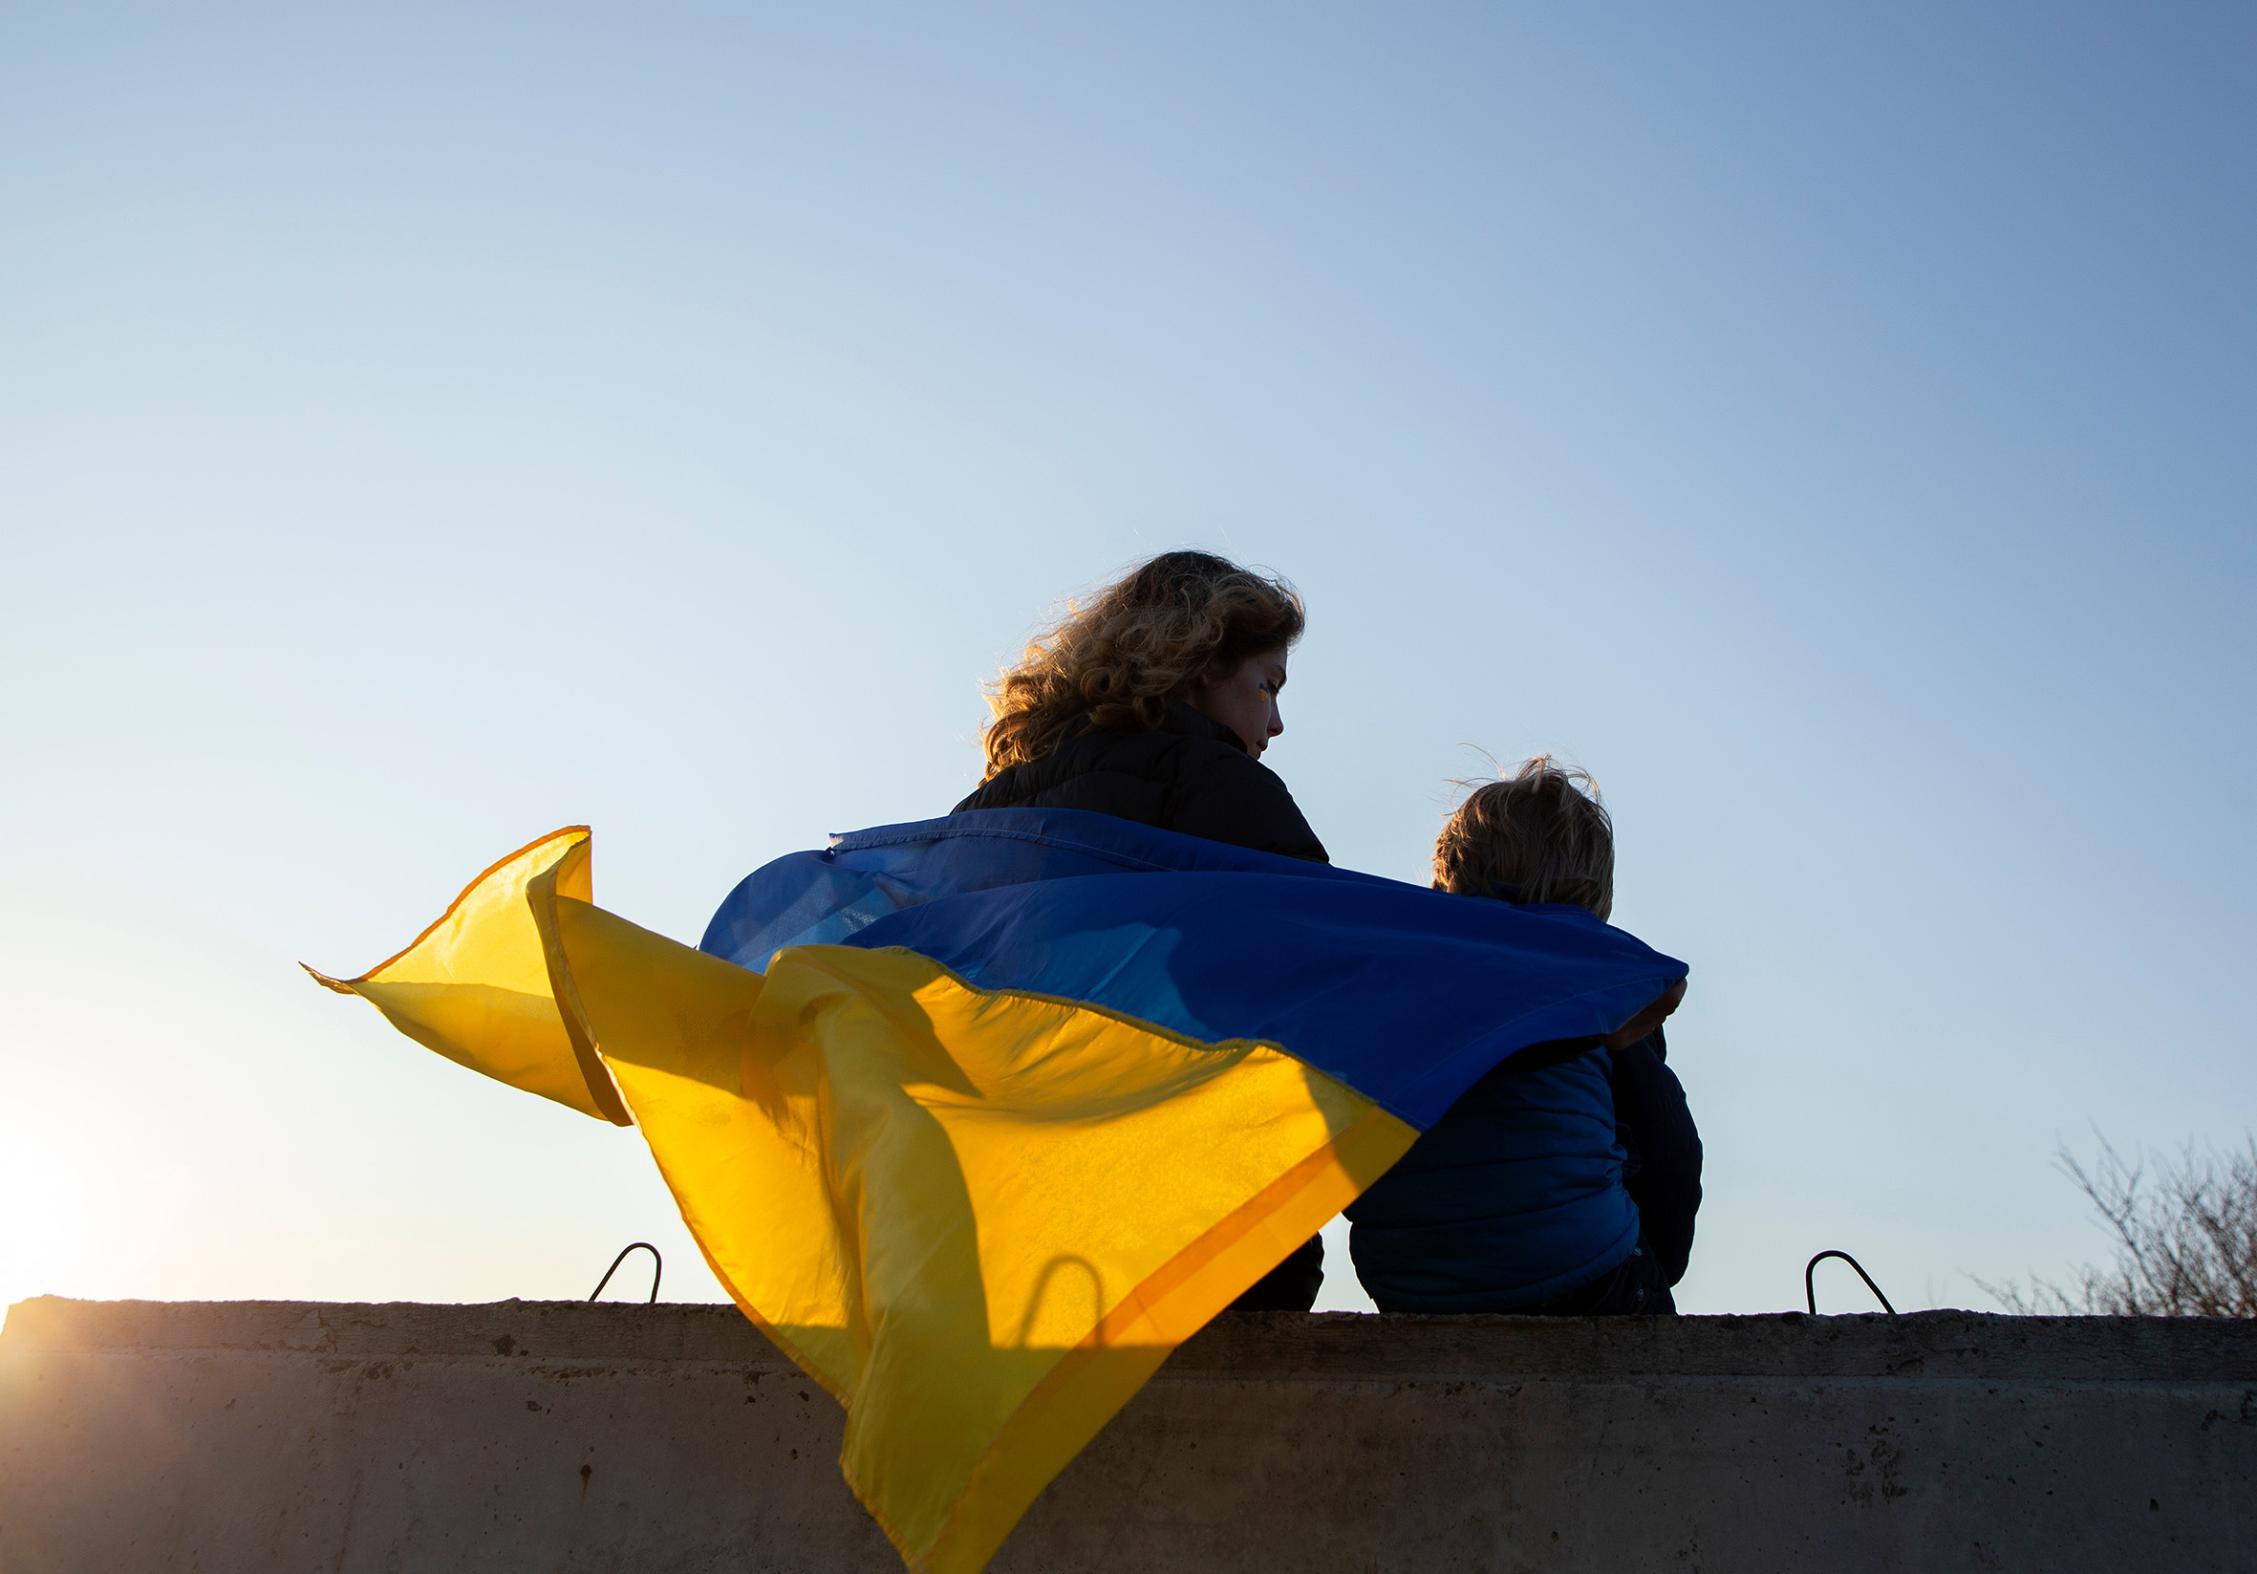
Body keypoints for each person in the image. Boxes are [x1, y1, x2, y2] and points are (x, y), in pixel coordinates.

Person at [955, 549, 1330, 1307]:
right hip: (1195, 1213)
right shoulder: (1229, 792)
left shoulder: (990, 813)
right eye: (1266, 685)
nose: (1277, 721)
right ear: (1198, 666)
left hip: (1012, 1211)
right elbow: (1318, 971)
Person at [1346, 757, 1703, 1314]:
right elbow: (1672, 1150)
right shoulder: (1598, 989)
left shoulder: (1393, 982)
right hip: (1581, 1277)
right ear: (1591, 896)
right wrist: (1661, 1258)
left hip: (1412, 1286)